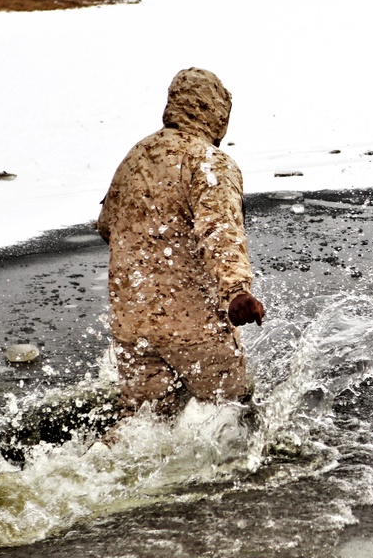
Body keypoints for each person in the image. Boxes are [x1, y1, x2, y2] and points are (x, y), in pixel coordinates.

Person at [96, 68, 265, 418]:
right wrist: (237, 291)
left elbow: (106, 226)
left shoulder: (134, 157)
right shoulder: (209, 162)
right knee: (229, 417)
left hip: (132, 324)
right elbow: (219, 230)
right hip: (194, 325)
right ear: (217, 113)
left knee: (144, 428)